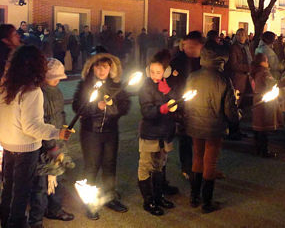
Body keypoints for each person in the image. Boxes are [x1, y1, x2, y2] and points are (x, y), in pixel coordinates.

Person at [0, 46, 72, 228]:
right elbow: (32, 127)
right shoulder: (32, 91)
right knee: (21, 194)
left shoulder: (8, 87)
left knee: (8, 190)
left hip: (8, 146)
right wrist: (56, 132)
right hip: (25, 149)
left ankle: (6, 223)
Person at [72, 53, 130, 220]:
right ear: (92, 68)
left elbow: (125, 106)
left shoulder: (115, 86)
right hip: (91, 132)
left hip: (111, 132)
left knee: (110, 165)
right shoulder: (85, 86)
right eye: (98, 66)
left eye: (105, 66)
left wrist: (114, 107)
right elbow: (78, 107)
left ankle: (109, 197)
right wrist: (96, 107)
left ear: (111, 68)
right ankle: (89, 203)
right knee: (91, 167)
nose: (102, 70)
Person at [185, 44, 239, 213]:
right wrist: (237, 117)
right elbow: (230, 110)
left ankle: (194, 197)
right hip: (214, 127)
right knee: (210, 162)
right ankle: (207, 202)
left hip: (195, 123)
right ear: (221, 59)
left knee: (197, 158)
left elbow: (187, 101)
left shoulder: (193, 76)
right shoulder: (223, 79)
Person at [29, 59, 74, 228]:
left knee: (57, 178)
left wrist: (64, 131)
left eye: (58, 78)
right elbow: (42, 121)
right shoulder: (39, 94)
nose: (57, 80)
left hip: (57, 140)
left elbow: (60, 113)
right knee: (40, 185)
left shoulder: (57, 91)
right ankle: (36, 220)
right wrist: (50, 145)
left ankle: (55, 209)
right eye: (53, 77)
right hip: (44, 146)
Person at [137, 50, 180, 216]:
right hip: (150, 133)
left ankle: (159, 195)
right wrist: (161, 109)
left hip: (165, 132)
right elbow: (146, 111)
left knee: (160, 165)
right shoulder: (145, 87)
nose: (155, 75)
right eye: (153, 72)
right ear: (148, 71)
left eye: (159, 72)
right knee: (146, 165)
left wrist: (168, 91)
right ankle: (148, 201)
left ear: (165, 72)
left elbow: (177, 101)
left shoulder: (167, 85)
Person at [170, 31, 204, 180]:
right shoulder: (177, 61)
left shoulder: (205, 62)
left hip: (201, 105)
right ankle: (187, 166)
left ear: (200, 46)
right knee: (185, 138)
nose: (189, 49)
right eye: (187, 45)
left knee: (200, 138)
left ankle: (201, 165)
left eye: (193, 46)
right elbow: (172, 84)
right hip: (183, 106)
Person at [251, 53, 281, 158]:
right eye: (266, 60)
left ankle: (257, 148)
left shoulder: (255, 71)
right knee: (264, 127)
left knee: (258, 127)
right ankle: (264, 151)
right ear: (262, 62)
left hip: (257, 99)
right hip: (264, 101)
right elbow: (274, 84)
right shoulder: (264, 72)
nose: (268, 63)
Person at [225, 28, 252, 139]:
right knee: (234, 105)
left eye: (243, 34)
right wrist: (249, 68)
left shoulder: (246, 47)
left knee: (240, 106)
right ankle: (233, 131)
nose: (241, 36)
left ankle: (237, 129)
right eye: (239, 34)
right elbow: (234, 65)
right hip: (237, 79)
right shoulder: (234, 48)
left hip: (245, 78)